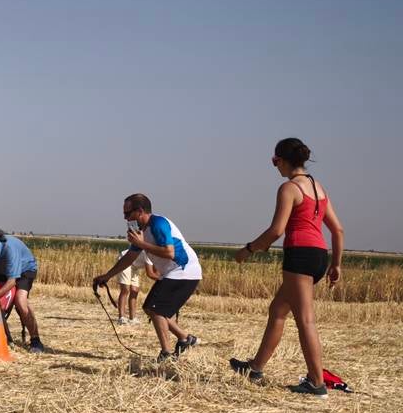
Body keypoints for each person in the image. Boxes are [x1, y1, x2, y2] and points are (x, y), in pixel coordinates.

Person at [230, 138, 344, 398]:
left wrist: (248, 250)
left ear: (281, 160)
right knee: (278, 310)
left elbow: (276, 230)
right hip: (318, 256)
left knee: (305, 319)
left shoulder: (289, 188)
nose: (275, 167)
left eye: (274, 162)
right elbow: (337, 229)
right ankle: (255, 368)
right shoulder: (318, 187)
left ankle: (316, 383)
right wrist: (336, 263)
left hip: (299, 256)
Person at [93, 194, 202, 362]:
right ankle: (185, 338)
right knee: (150, 308)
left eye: (127, 213)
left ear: (140, 211)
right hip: (175, 273)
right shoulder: (140, 231)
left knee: (156, 309)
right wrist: (107, 276)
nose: (125, 218)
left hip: (184, 270)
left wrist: (142, 244)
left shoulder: (158, 223)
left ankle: (166, 354)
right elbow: (129, 257)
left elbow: (169, 252)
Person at [113, 248, 159, 325]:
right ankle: (121, 318)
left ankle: (132, 318)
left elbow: (158, 273)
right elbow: (150, 273)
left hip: (134, 266)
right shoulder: (150, 253)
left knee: (135, 291)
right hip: (124, 259)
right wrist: (163, 280)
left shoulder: (160, 258)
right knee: (125, 290)